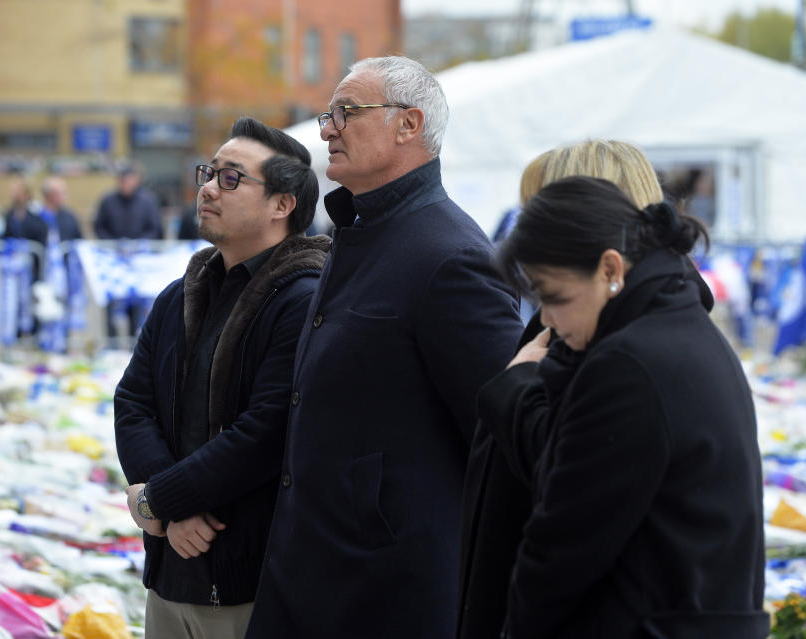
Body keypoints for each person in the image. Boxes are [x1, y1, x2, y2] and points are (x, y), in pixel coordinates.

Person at [246, 57, 523, 639]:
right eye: (328, 115)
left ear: (408, 124)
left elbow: (499, 438)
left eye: (346, 112)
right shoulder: (356, 230)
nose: (327, 130)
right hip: (310, 570)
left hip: (387, 591)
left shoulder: (451, 255)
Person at [480, 175, 767, 638]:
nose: (547, 318)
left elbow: (562, 548)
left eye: (554, 297)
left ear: (611, 270)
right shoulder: (680, 323)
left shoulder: (628, 364)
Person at [114, 117, 329, 638]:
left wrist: (159, 499)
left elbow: (265, 432)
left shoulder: (305, 300)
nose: (208, 187)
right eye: (209, 172)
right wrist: (166, 505)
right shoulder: (181, 294)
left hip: (247, 581)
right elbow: (133, 402)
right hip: (169, 571)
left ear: (283, 205)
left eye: (231, 178)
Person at [458, 139, 667, 639]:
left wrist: (515, 387)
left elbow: (564, 480)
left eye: (538, 212)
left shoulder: (615, 343)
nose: (527, 232)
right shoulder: (569, 319)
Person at [93, 162, 164, 339]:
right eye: (122, 180)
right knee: (111, 302)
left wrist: (139, 244)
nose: (125, 183)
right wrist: (112, 244)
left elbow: (155, 228)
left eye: (129, 179)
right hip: (113, 261)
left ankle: (134, 340)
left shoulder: (147, 201)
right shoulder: (108, 201)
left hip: (137, 263)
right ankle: (112, 340)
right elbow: (99, 226)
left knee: (137, 302)